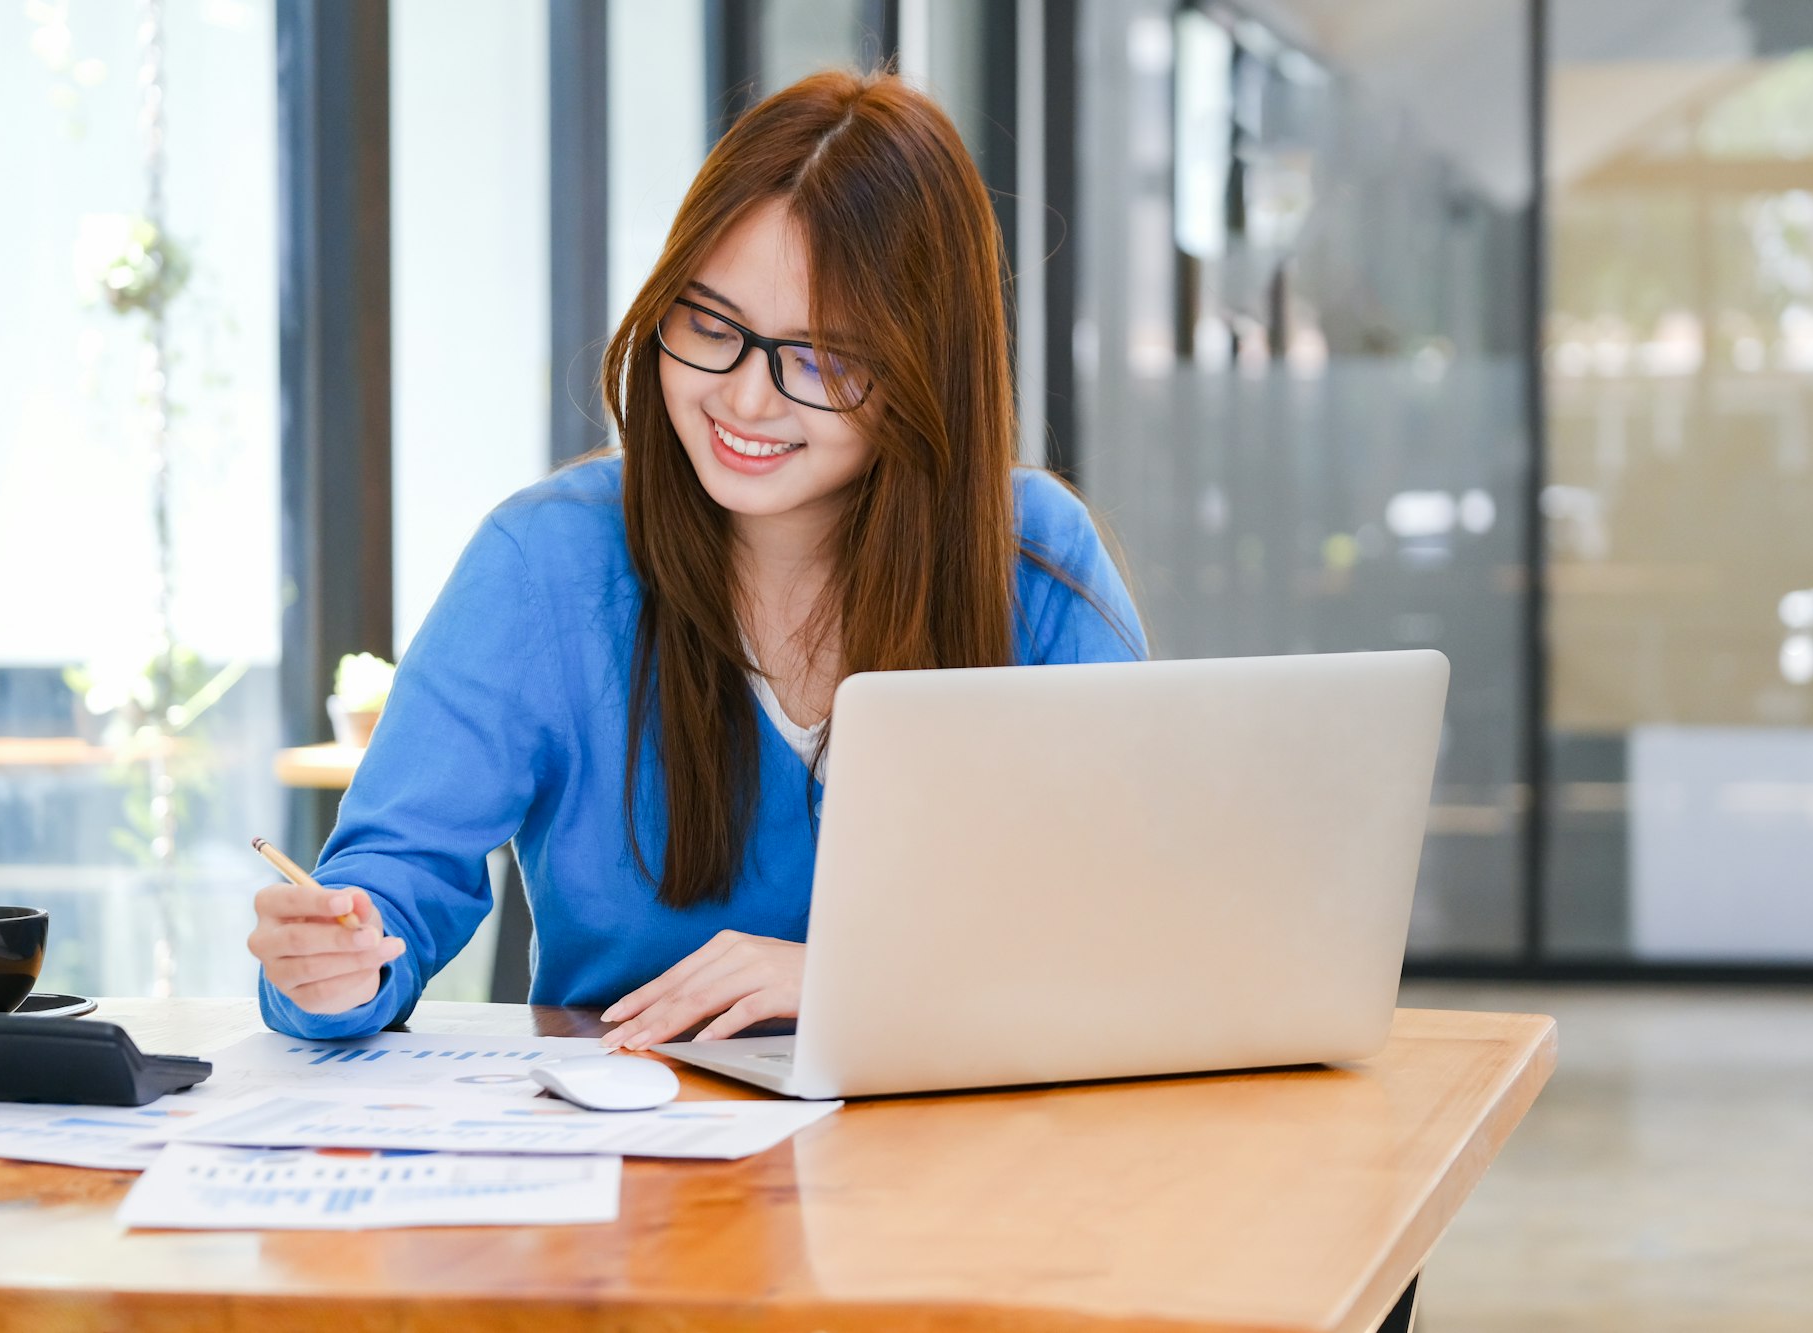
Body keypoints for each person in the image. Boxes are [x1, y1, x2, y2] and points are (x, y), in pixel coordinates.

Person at [246, 68, 1145, 1048]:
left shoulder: (1033, 559)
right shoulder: (549, 559)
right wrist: (333, 966)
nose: (746, 401)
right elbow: (386, 888)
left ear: (927, 367)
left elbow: (1135, 916)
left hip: (962, 1164)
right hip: (647, 1160)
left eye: (822, 358)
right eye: (710, 325)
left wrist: (841, 979)